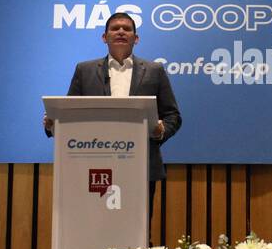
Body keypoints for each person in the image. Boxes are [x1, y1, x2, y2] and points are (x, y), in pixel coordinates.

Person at [44, 12, 181, 211]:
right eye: (115, 28)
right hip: (93, 163)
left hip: (141, 165)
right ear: (104, 37)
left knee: (139, 230)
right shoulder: (84, 70)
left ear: (136, 38)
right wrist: (53, 124)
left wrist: (161, 131)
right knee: (94, 224)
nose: (120, 32)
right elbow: (69, 112)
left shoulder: (154, 70)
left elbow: (173, 116)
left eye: (127, 29)